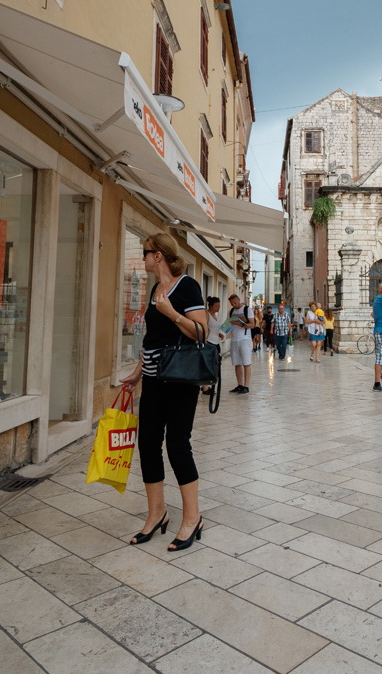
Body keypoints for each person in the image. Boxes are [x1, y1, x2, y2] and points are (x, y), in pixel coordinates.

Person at [119, 233, 209, 552]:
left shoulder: (187, 286)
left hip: (182, 379)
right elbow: (152, 340)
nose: (142, 258)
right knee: (147, 443)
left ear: (158, 256)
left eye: (145, 253)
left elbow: (201, 331)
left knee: (177, 445)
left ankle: (192, 518)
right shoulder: (155, 289)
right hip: (155, 379)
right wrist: (137, 373)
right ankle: (157, 514)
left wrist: (172, 312)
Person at [226, 293, 254, 394]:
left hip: (245, 339)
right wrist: (223, 332)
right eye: (232, 303)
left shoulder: (247, 310)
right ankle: (240, 385)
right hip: (234, 339)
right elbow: (228, 324)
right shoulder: (230, 312)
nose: (234, 305)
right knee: (237, 363)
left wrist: (241, 324)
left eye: (235, 303)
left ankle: (246, 386)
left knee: (246, 363)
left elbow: (252, 324)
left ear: (239, 300)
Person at [202, 296, 224, 396]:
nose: (218, 308)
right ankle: (205, 387)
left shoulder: (217, 316)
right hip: (209, 342)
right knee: (207, 365)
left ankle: (209, 385)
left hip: (216, 342)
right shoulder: (206, 314)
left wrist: (220, 333)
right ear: (210, 306)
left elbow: (216, 328)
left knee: (214, 364)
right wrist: (204, 341)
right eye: (216, 306)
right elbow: (205, 327)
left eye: (219, 306)